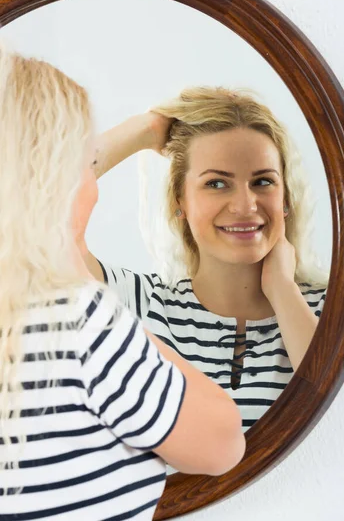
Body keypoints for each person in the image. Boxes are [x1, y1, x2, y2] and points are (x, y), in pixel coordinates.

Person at [0, 51, 245, 520]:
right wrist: (71, 264)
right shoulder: (75, 323)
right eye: (86, 162)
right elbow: (222, 444)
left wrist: (147, 130)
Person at [84, 87, 328, 430]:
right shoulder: (141, 305)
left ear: (286, 199)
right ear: (178, 203)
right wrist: (146, 130)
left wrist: (284, 291)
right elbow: (29, 207)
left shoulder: (335, 309)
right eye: (216, 183)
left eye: (262, 181)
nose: (246, 206)